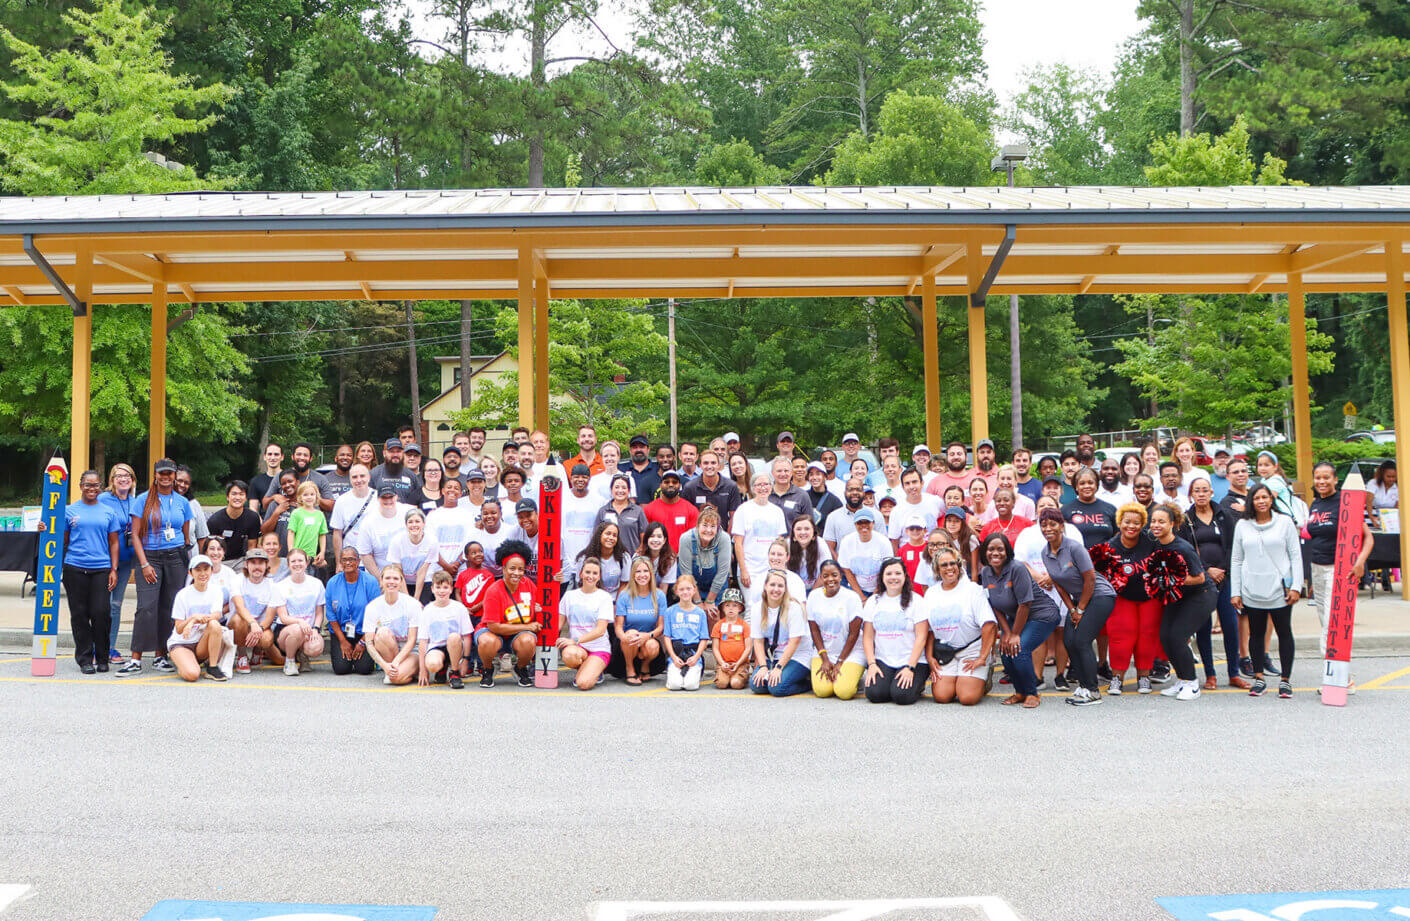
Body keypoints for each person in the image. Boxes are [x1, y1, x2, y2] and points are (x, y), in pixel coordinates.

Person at [117, 458, 193, 677]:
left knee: (169, 606)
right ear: (155, 475)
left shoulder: (182, 502)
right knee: (146, 607)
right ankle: (136, 658)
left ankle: (161, 655)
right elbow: (135, 535)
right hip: (150, 556)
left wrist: (184, 560)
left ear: (174, 476)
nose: (166, 477)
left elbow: (186, 535)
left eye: (170, 473)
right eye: (162, 473)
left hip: (176, 556)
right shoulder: (143, 500)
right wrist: (144, 564)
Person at [1034, 508, 1115, 706]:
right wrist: (1072, 609)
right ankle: (1084, 686)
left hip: (1100, 596)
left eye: (1053, 524)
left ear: (1062, 526)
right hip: (1078, 600)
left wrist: (1080, 609)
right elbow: (1059, 584)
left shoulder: (1074, 548)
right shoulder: (1045, 552)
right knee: (1070, 641)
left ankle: (1093, 691)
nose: (1048, 528)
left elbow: (1090, 579)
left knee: (1081, 640)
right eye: (1044, 525)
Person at [1304, 461, 1374, 690]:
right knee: (1326, 623)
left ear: (1335, 480)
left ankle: (1336, 680)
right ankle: (1344, 677)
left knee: (1330, 629)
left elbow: (1368, 538)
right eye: (1317, 477)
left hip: (1338, 570)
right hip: (1318, 570)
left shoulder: (1345, 503)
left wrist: (1360, 562)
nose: (1321, 481)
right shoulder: (1315, 504)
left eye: (1326, 477)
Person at [1231, 484, 1304, 698]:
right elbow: (1236, 559)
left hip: (1280, 589)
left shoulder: (1284, 523)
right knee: (1256, 634)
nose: (1261, 501)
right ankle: (1259, 678)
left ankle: (1285, 680)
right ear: (1251, 501)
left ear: (1271, 500)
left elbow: (1295, 556)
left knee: (1284, 633)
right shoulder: (1243, 525)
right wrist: (1235, 591)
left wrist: (1297, 586)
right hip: (1252, 589)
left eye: (1265, 497)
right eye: (1256, 498)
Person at [1181, 476, 1248, 689]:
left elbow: (1232, 546)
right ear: (1191, 494)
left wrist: (1222, 569)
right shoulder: (1186, 520)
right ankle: (1210, 674)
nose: (1201, 494)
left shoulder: (1223, 515)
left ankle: (1234, 673)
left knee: (1229, 625)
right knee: (1203, 627)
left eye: (1205, 490)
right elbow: (1186, 550)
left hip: (1224, 577)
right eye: (1197, 490)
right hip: (1200, 580)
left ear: (1211, 492)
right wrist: (1206, 570)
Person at [979, 533, 1061, 708]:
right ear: (984, 552)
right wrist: (1006, 633)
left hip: (1042, 614)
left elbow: (1025, 604)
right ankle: (1020, 692)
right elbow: (994, 606)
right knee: (1006, 652)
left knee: (1019, 649)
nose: (995, 553)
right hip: (1015, 617)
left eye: (1000, 549)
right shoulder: (985, 572)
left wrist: (1015, 634)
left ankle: (1032, 693)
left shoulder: (1017, 568)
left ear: (1007, 551)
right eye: (990, 549)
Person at [1147, 504, 1213, 701]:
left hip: (1201, 594)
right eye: (1153, 521)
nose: (1156, 525)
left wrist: (1170, 579)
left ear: (1172, 524)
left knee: (1177, 636)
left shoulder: (1182, 547)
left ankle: (1192, 683)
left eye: (1161, 521)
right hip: (1178, 595)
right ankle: (1182, 679)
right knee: (1165, 636)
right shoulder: (1157, 543)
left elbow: (1200, 577)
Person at [922, 544, 997, 706]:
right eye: (944, 565)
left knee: (967, 698)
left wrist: (982, 657)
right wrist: (929, 657)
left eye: (953, 563)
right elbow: (928, 630)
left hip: (972, 651)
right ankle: (960, 678)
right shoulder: (931, 594)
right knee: (942, 697)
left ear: (959, 565)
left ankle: (985, 674)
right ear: (937, 569)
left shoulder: (973, 590)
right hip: (945, 652)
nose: (949, 568)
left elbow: (989, 625)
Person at [63, 469, 122, 673]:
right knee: (79, 614)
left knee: (101, 613)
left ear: (100, 487)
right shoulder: (69, 511)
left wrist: (113, 569)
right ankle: (85, 659)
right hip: (75, 568)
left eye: (95, 485)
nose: (91, 488)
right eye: (88, 485)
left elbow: (114, 542)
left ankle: (102, 657)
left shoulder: (108, 511)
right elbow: (61, 540)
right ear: (80, 486)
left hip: (101, 569)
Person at [1103, 504, 1162, 695]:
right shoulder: (1110, 546)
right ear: (1120, 523)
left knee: (1147, 634)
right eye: (1127, 522)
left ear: (1143, 524)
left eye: (1137, 523)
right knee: (1121, 635)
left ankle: (1143, 677)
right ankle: (1116, 678)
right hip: (1122, 597)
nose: (1132, 526)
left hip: (1148, 596)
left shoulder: (1151, 542)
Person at [860, 558, 930, 705]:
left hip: (912, 661)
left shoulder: (916, 601)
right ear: (882, 577)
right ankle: (890, 681)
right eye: (889, 573)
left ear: (905, 576)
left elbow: (921, 637)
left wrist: (910, 667)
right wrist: (872, 664)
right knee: (875, 694)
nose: (893, 577)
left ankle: (918, 683)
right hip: (883, 659)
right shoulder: (873, 601)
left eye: (898, 573)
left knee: (902, 696)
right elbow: (867, 637)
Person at [473, 540, 541, 688]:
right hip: (493, 632)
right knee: (487, 642)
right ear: (503, 569)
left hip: (518, 633)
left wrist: (556, 579)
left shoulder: (528, 584)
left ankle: (521, 668)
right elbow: (494, 626)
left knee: (529, 641)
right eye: (512, 568)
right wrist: (528, 626)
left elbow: (541, 605)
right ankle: (488, 668)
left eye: (520, 569)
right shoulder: (493, 590)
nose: (516, 573)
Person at [806, 560, 865, 699]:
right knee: (822, 691)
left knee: (843, 692)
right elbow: (814, 631)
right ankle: (846, 676)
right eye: (825, 576)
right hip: (825, 651)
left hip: (851, 651)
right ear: (820, 578)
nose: (830, 579)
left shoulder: (852, 598)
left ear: (840, 576)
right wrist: (825, 659)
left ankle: (854, 677)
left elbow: (854, 634)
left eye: (834, 575)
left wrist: (839, 662)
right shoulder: (814, 596)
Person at [165, 554, 229, 682]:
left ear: (211, 571)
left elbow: (216, 615)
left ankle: (212, 667)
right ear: (190, 573)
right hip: (182, 643)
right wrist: (192, 618)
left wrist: (195, 620)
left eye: (206, 569)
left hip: (201, 643)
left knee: (215, 625)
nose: (202, 573)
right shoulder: (182, 595)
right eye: (198, 570)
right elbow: (178, 629)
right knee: (192, 675)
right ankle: (183, 662)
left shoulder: (216, 591)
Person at [100, 463, 141, 664]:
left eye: (127, 476)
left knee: (115, 604)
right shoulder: (102, 500)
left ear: (133, 480)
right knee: (101, 605)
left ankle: (110, 648)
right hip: (103, 560)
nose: (123, 479)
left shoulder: (135, 502)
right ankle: (95, 648)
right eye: (118, 476)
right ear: (112, 479)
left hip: (126, 561)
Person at [750, 569, 813, 697]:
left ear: (785, 589)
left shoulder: (794, 608)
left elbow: (794, 642)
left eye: (780, 586)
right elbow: (758, 641)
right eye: (772, 585)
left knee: (777, 688)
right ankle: (783, 676)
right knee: (756, 685)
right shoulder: (757, 608)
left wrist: (778, 668)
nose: (776, 589)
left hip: (797, 656)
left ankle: (807, 683)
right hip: (773, 656)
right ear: (765, 586)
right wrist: (763, 666)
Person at [557, 557, 615, 691]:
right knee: (569, 654)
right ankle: (586, 669)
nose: (591, 576)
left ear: (599, 577)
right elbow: (558, 625)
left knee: (583, 684)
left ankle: (594, 670)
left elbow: (600, 630)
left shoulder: (604, 597)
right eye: (588, 572)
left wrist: (574, 640)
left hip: (599, 648)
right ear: (581, 574)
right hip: (578, 649)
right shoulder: (569, 596)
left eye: (595, 573)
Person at [227, 547, 284, 674]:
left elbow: (269, 617)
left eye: (261, 563)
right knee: (237, 620)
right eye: (253, 562)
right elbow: (239, 607)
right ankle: (242, 656)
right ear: (246, 564)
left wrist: (259, 628)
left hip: (260, 627)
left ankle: (258, 651)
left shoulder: (272, 586)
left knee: (268, 641)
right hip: (241, 624)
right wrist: (252, 623)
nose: (257, 566)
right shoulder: (237, 580)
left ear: (266, 565)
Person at [325, 545, 379, 676]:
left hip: (364, 633)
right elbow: (331, 615)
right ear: (340, 562)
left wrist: (362, 642)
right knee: (341, 669)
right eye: (344, 560)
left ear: (358, 561)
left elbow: (377, 615)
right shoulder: (332, 583)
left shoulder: (370, 582)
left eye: (351, 559)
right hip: (342, 632)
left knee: (364, 669)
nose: (348, 563)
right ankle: (345, 650)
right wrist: (343, 641)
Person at [362, 564, 421, 685]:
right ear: (381, 580)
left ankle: (406, 670)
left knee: (396, 679)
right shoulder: (372, 607)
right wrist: (384, 665)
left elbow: (412, 640)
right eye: (388, 578)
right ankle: (393, 671)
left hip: (411, 651)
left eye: (396, 579)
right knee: (382, 633)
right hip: (390, 649)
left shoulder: (412, 604)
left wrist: (396, 662)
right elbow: (369, 643)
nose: (391, 582)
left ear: (401, 582)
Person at [732, 472, 788, 597]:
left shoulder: (777, 511)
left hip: (772, 568)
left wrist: (781, 569)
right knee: (752, 606)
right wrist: (743, 570)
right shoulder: (743, 510)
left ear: (771, 486)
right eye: (759, 485)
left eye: (766, 484)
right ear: (752, 488)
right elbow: (738, 543)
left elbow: (780, 542)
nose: (763, 488)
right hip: (750, 569)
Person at [615, 555, 666, 685]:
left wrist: (647, 636)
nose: (642, 575)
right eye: (638, 571)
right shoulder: (624, 595)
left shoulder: (659, 595)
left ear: (651, 573)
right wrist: (624, 637)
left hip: (648, 639)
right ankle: (629, 667)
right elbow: (618, 626)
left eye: (645, 571)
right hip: (627, 643)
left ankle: (645, 664)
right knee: (631, 633)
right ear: (632, 574)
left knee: (652, 645)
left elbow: (661, 627)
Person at [274, 548, 326, 676]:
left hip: (309, 629)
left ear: (306, 562)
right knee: (297, 629)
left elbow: (319, 612)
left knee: (315, 647)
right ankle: (290, 661)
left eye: (300, 560)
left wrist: (315, 628)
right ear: (288, 564)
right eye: (293, 561)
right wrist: (300, 622)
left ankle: (303, 654)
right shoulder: (281, 586)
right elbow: (283, 617)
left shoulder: (316, 584)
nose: (297, 564)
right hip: (286, 630)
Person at [417, 571, 471, 688]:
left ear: (451, 589)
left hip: (456, 646)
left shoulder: (459, 608)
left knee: (453, 637)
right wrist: (423, 669)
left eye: (445, 587)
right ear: (432, 589)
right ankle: (441, 668)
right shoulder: (427, 610)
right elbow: (423, 641)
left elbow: (466, 636)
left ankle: (454, 672)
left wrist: (466, 661)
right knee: (432, 664)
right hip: (437, 647)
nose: (442, 591)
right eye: (438, 587)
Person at [678, 506, 732, 618]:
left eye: (713, 526)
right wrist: (697, 602)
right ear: (697, 526)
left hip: (717, 585)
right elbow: (687, 574)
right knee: (693, 616)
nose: (708, 530)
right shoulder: (686, 538)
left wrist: (710, 601)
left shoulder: (724, 539)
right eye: (705, 525)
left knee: (713, 616)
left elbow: (722, 573)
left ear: (717, 528)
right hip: (691, 585)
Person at [663, 574, 710, 691]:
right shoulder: (670, 611)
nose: (685, 592)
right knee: (675, 685)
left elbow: (704, 638)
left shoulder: (700, 613)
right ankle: (674, 671)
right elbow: (667, 637)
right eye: (681, 589)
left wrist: (696, 656)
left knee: (690, 686)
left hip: (693, 654)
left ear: (694, 590)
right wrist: (673, 657)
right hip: (677, 654)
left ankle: (696, 672)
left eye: (688, 589)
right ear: (676, 591)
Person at [560, 464, 601, 586]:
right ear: (571, 478)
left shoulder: (598, 500)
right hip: (565, 557)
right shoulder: (562, 496)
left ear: (589, 479)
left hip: (588, 558)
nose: (580, 480)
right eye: (576, 477)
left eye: (584, 477)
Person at [205, 480, 262, 569]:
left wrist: (249, 565)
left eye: (241, 494)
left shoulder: (253, 518)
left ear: (246, 497)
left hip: (241, 560)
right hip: (221, 561)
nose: (237, 497)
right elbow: (210, 548)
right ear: (227, 497)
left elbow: (252, 546)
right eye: (234, 494)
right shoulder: (215, 520)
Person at [356, 487, 410, 578]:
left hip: (410, 575)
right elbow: (365, 554)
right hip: (382, 575)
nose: (388, 500)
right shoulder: (368, 522)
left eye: (391, 497)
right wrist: (381, 580)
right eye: (384, 497)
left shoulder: (408, 512)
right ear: (378, 499)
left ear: (396, 497)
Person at [837, 507, 889, 597]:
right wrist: (862, 597)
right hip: (856, 587)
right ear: (855, 524)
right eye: (860, 522)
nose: (863, 525)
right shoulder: (847, 541)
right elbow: (847, 570)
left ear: (873, 523)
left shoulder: (883, 542)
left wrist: (874, 596)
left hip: (881, 586)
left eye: (867, 522)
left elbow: (887, 569)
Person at [642, 469, 698, 551]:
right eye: (667, 482)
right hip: (657, 557)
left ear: (679, 485)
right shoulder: (648, 510)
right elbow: (644, 538)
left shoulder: (691, 510)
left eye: (674, 482)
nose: (671, 484)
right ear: (660, 485)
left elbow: (694, 538)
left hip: (682, 559)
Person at [682, 449, 742, 525]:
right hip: (697, 535)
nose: (709, 466)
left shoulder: (731, 486)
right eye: (706, 463)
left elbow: (734, 517)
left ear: (718, 465)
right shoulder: (690, 487)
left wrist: (727, 536)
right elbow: (686, 516)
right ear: (700, 466)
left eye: (713, 463)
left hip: (722, 534)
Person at [388, 507, 437, 602]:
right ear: (406, 525)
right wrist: (408, 599)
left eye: (417, 521)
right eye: (410, 522)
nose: (414, 525)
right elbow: (398, 571)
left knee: (421, 606)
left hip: (424, 580)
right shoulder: (396, 541)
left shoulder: (432, 541)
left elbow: (422, 572)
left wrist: (416, 599)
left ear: (423, 524)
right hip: (402, 579)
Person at [329, 464, 375, 562]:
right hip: (350, 559)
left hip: (373, 558)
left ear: (369, 477)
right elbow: (337, 533)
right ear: (350, 479)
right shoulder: (342, 501)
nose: (359, 480)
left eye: (362, 476)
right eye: (354, 477)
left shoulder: (378, 498)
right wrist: (339, 562)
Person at [594, 473, 647, 556]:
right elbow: (596, 536)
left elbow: (644, 535)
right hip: (609, 558)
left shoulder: (638, 511)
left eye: (624, 488)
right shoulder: (603, 511)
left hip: (631, 558)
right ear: (611, 489)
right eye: (617, 487)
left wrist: (640, 551)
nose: (620, 491)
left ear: (629, 490)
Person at [1062, 468, 1117, 548]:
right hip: (1076, 559)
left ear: (1096, 485)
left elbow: (1118, 536)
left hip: (1105, 558)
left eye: (1090, 483)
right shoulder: (1065, 510)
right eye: (1082, 483)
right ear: (1076, 486)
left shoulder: (1110, 509)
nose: (1086, 486)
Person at [710, 588, 752, 690]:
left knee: (736, 684)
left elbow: (748, 647)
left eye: (735, 605)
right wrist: (722, 663)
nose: (731, 608)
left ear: (740, 608)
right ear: (723, 608)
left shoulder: (744, 625)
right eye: (727, 605)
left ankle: (741, 675)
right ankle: (724, 675)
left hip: (740, 663)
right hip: (724, 664)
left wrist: (738, 664)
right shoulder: (718, 625)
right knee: (721, 684)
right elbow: (715, 648)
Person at [285, 481, 329, 575]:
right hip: (298, 555)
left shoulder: (320, 515)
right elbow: (291, 533)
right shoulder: (297, 513)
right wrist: (291, 551)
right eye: (305, 495)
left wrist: (322, 552)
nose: (309, 497)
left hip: (312, 557)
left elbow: (322, 535)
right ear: (300, 497)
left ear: (316, 496)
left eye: (312, 494)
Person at [577, 521, 628, 594]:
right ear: (599, 535)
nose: (611, 537)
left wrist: (617, 604)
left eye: (614, 535)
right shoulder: (584, 558)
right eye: (608, 534)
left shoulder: (624, 558)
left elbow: (624, 584)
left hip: (614, 601)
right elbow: (580, 584)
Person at [787, 514, 832, 591]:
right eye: (798, 529)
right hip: (792, 589)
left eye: (807, 529)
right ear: (793, 534)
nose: (803, 532)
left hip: (817, 588)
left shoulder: (821, 544)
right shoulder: (787, 545)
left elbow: (827, 570)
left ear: (814, 534)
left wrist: (812, 594)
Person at [767, 456, 813, 528]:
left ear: (791, 473)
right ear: (772, 473)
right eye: (779, 471)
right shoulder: (765, 494)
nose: (783, 474)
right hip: (769, 538)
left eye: (786, 471)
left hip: (793, 539)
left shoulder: (802, 495)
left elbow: (809, 525)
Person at [260, 469, 299, 554]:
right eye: (283, 484)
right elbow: (264, 531)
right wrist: (276, 513)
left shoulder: (307, 505)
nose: (287, 485)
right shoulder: (275, 505)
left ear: (298, 482)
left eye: (290, 481)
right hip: (278, 557)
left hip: (299, 558)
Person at [638, 521, 678, 596]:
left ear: (664, 540)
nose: (655, 540)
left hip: (660, 596)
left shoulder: (671, 559)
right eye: (652, 536)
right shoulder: (638, 556)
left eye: (659, 537)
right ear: (646, 539)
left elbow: (664, 589)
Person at [1254, 451, 1296, 520]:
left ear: (1275, 467)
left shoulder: (1275, 482)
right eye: (1260, 465)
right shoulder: (1264, 480)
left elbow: (1268, 501)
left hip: (1281, 518)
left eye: (1266, 465)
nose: (1262, 468)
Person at [626, 434, 661, 503]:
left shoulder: (658, 468)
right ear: (630, 450)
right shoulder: (621, 469)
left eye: (642, 447)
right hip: (628, 511)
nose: (638, 450)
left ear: (648, 449)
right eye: (635, 447)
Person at [250, 443, 284, 512]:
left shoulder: (290, 479)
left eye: (276, 454)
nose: (273, 458)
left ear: (282, 457)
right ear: (264, 457)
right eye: (269, 454)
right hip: (264, 521)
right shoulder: (256, 481)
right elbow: (253, 509)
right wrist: (261, 522)